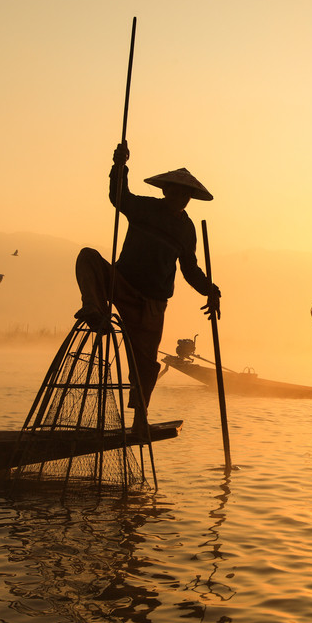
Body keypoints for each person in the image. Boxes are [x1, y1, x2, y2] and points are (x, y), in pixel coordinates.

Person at [75, 142, 220, 431]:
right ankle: (93, 308)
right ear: (165, 191)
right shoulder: (145, 208)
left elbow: (190, 269)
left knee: (145, 365)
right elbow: (120, 198)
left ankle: (140, 418)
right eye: (176, 192)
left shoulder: (186, 229)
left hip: (152, 303)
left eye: (186, 195)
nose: (180, 198)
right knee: (87, 257)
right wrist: (119, 166)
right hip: (122, 282)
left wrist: (211, 290)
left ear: (190, 198)